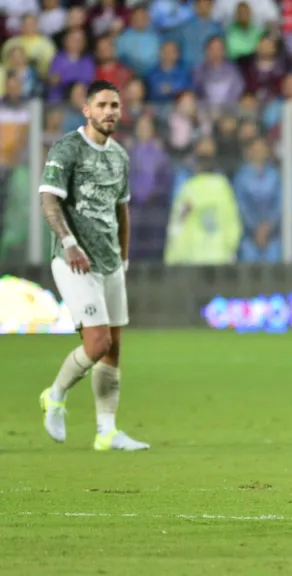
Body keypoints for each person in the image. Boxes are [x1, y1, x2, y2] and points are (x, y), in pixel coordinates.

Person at [38, 80, 149, 451]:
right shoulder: (67, 149)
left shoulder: (119, 155)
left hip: (109, 262)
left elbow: (122, 209)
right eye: (101, 105)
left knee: (114, 347)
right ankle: (54, 395)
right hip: (73, 261)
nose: (109, 112)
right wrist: (69, 243)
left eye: (114, 106)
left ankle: (106, 432)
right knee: (97, 341)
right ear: (87, 110)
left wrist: (124, 256)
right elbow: (50, 202)